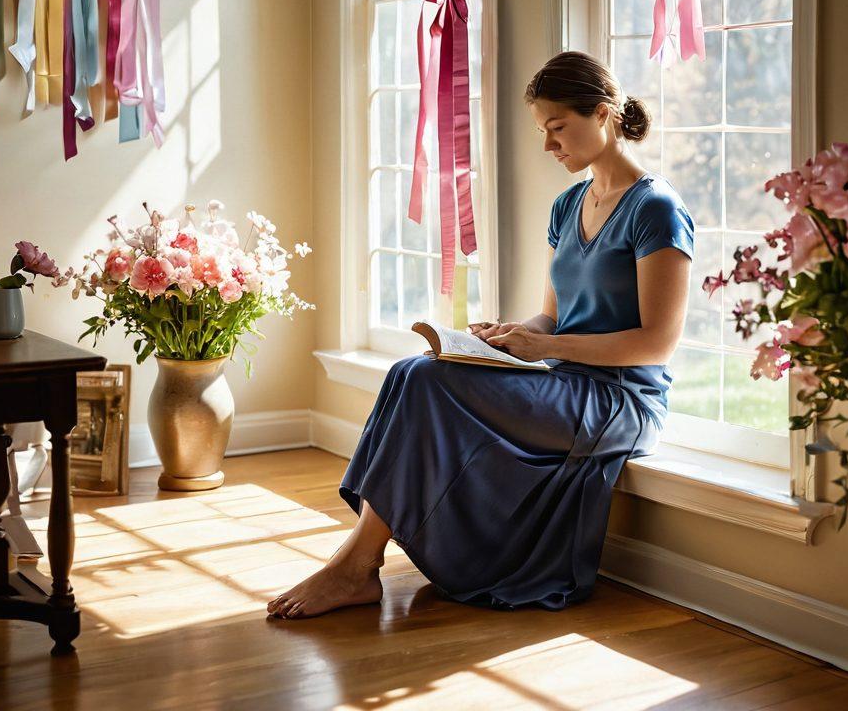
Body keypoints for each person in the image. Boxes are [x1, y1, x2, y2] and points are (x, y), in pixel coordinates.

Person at [267, 50, 694, 619]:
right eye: (544, 131)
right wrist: (513, 335)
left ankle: (356, 567)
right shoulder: (569, 205)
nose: (549, 145)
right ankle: (357, 563)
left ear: (604, 113)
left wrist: (547, 347)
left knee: (424, 382)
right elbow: (553, 317)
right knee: (411, 370)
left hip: (620, 401)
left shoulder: (657, 209)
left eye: (558, 128)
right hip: (564, 381)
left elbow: (656, 344)